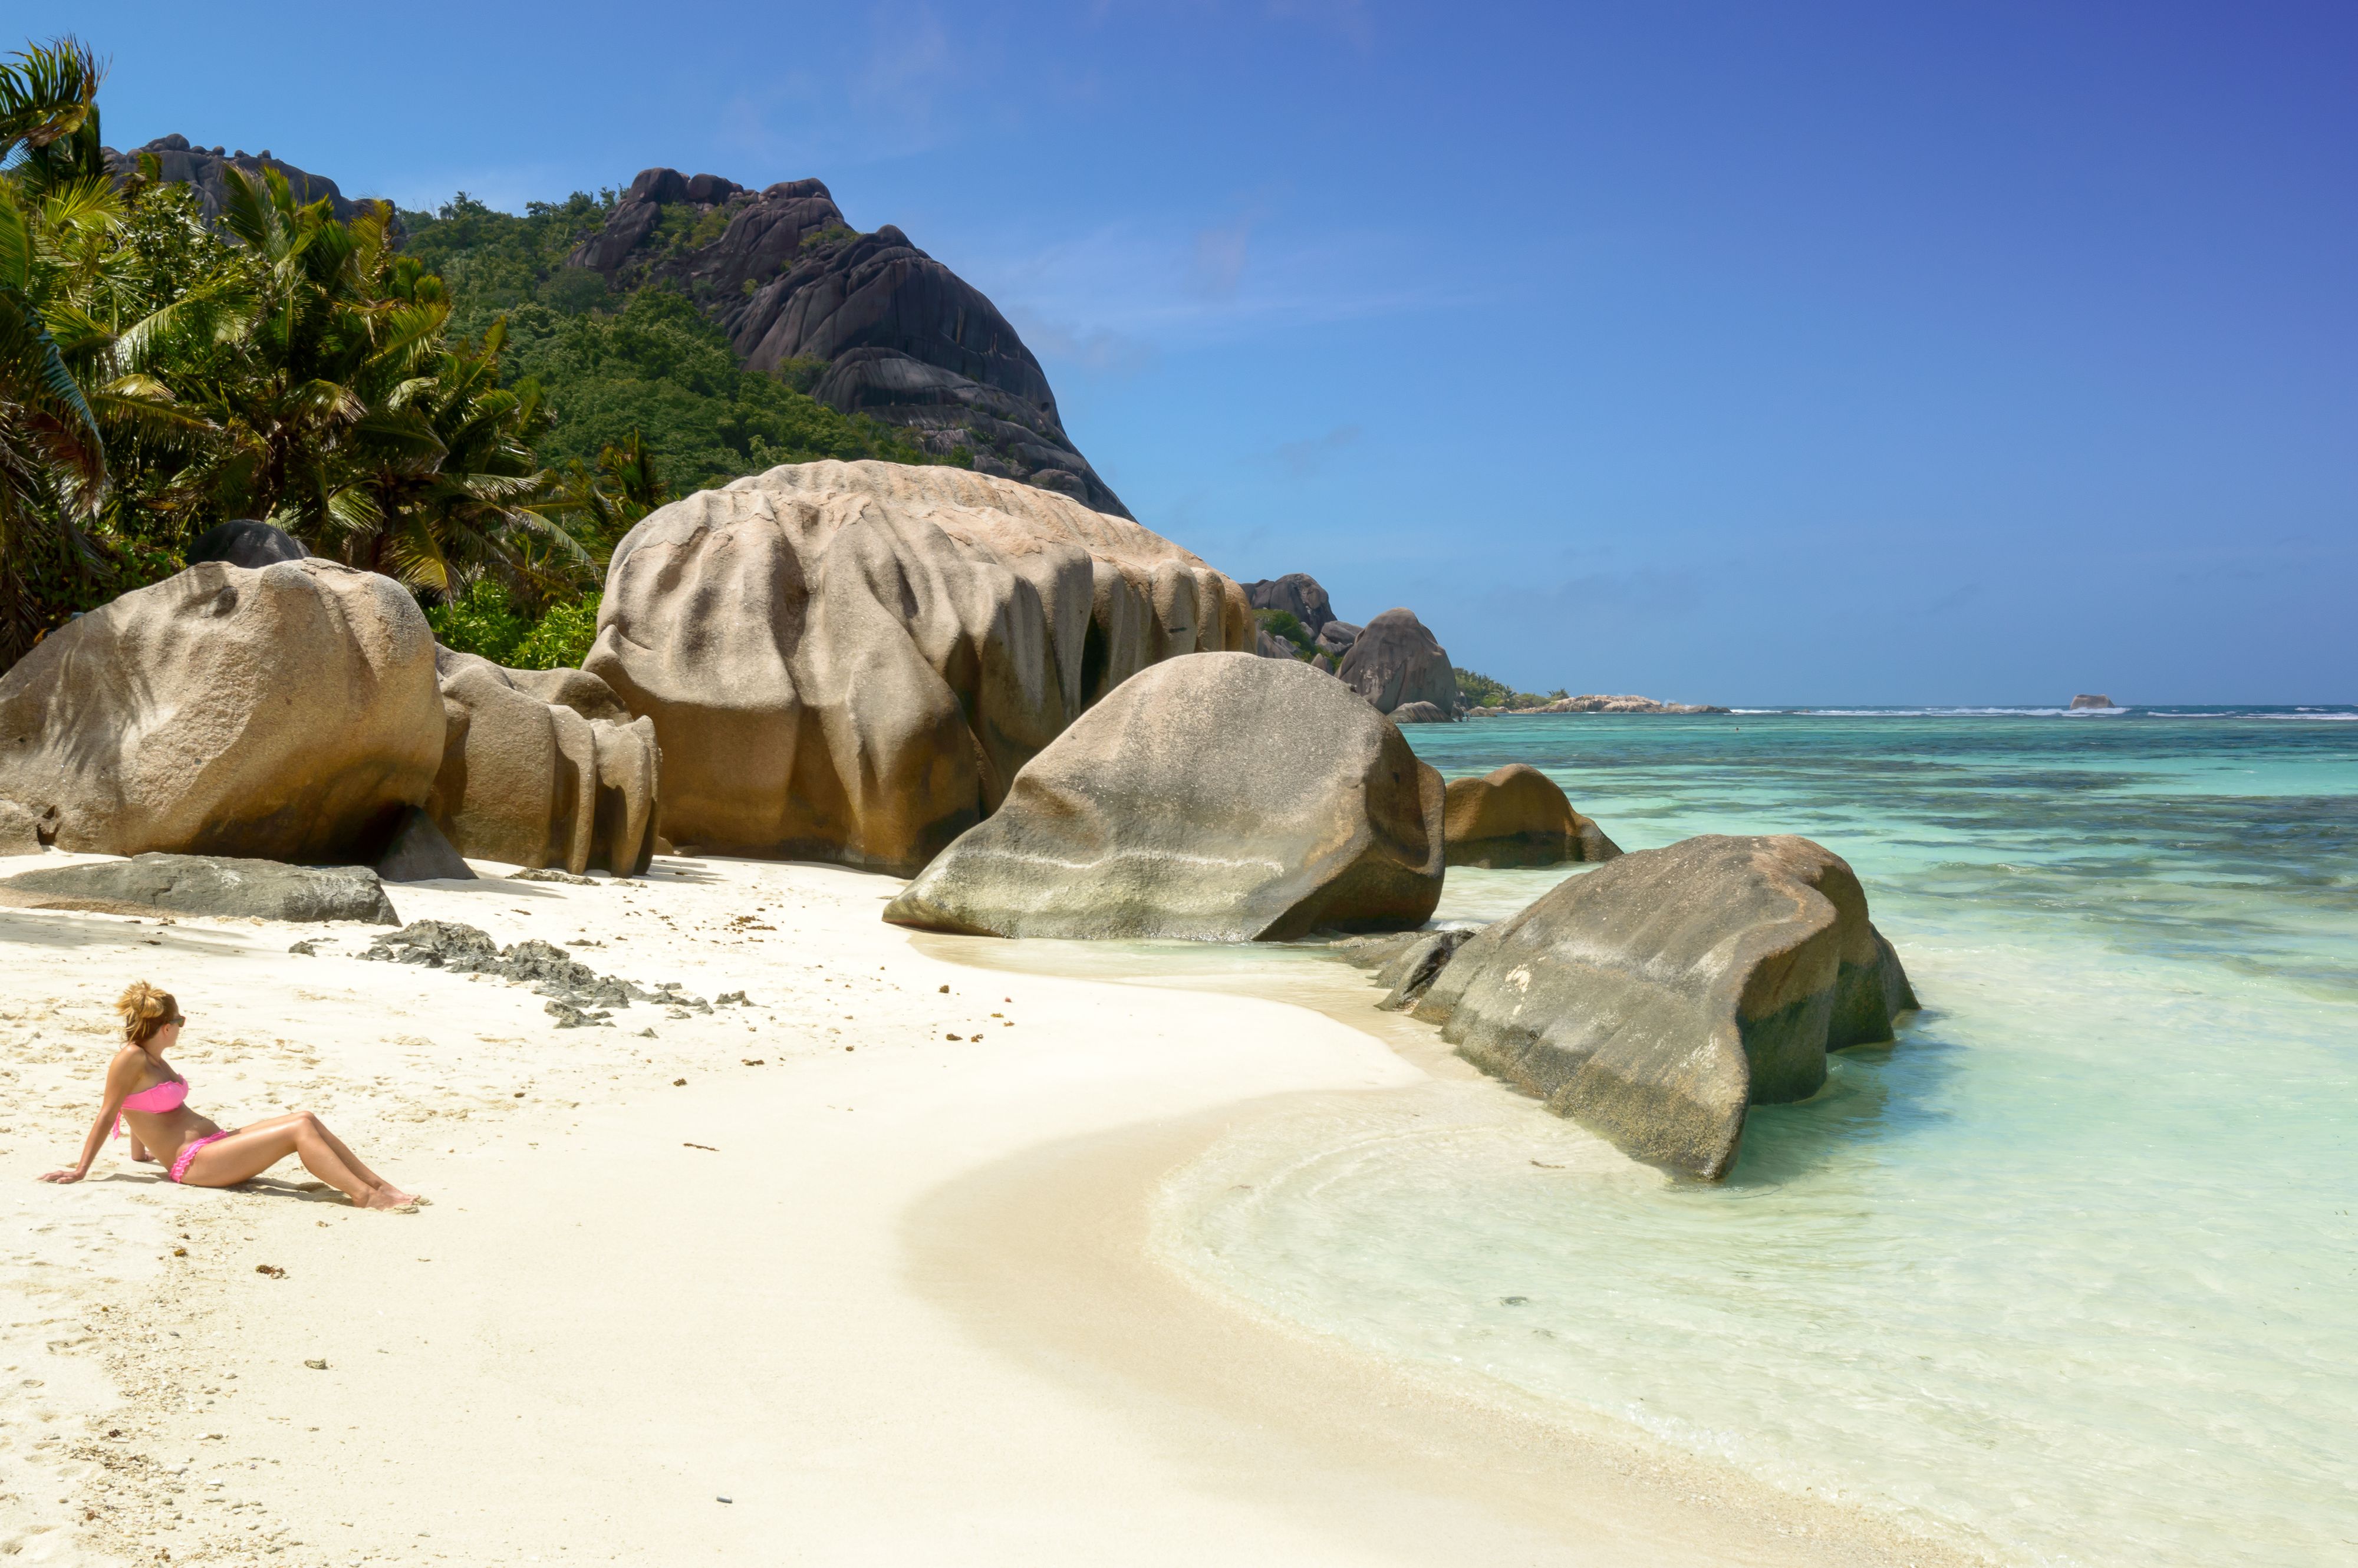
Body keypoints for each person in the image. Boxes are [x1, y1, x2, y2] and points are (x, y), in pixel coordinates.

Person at [38, 982, 420, 1210]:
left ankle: (381, 1186)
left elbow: (137, 1108)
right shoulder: (131, 1058)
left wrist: (139, 1155)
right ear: (167, 1026)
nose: (182, 1028)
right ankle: (364, 1197)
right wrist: (81, 1169)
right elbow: (109, 1112)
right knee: (298, 1132)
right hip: (195, 1165)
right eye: (181, 1021)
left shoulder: (153, 1059)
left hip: (211, 1147)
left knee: (305, 1118)